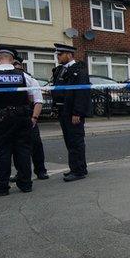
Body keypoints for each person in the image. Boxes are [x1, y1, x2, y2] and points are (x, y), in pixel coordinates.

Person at [0, 47, 42, 196]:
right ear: (12, 60)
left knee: (3, 153)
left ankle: (2, 187)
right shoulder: (25, 76)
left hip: (1, 120)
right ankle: (25, 184)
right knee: (23, 151)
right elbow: (34, 98)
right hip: (22, 119)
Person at [51, 43, 90, 182]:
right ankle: (77, 167)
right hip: (63, 111)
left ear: (69, 54)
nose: (58, 57)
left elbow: (81, 94)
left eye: (60, 54)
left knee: (75, 141)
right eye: (57, 54)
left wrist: (77, 113)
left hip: (73, 113)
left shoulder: (79, 71)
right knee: (69, 141)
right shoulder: (60, 70)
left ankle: (78, 171)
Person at [11, 55, 48, 180]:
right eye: (12, 63)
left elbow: (38, 101)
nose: (15, 66)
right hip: (12, 118)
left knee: (36, 145)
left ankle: (41, 170)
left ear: (21, 65)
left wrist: (34, 118)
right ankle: (20, 172)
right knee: (16, 148)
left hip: (28, 116)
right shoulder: (4, 79)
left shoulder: (29, 79)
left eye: (16, 63)